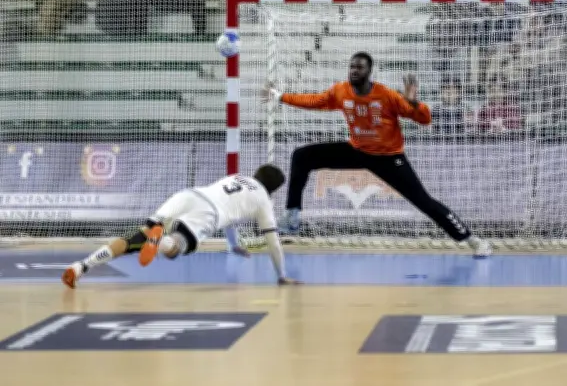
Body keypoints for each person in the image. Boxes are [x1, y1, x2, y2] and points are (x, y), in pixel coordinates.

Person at [261, 52, 491, 258]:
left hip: (389, 158)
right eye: (351, 66)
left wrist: (413, 103)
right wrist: (280, 96)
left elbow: (424, 119)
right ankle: (292, 216)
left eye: (359, 67)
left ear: (369, 72)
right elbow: (315, 101)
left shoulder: (387, 96)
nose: (354, 71)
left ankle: (473, 240)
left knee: (424, 202)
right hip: (357, 150)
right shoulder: (341, 91)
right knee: (302, 156)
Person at [61, 165, 299, 288]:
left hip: (189, 194)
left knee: (136, 238)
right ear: (274, 189)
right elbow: (273, 242)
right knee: (177, 247)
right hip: (207, 214)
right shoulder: (263, 200)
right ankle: (162, 240)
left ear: (256, 173)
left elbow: (232, 218)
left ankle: (81, 266)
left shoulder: (237, 177)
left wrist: (234, 244)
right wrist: (281, 275)